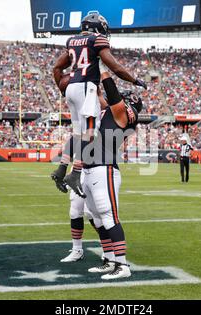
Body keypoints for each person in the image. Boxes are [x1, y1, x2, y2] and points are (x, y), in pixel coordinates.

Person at [51, 13, 146, 198]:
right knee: (91, 132)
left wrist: (64, 90)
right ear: (97, 27)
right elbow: (116, 68)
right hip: (87, 88)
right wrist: (135, 80)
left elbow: (57, 68)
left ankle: (61, 169)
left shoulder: (72, 40)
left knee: (78, 133)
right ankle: (75, 173)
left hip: (71, 88)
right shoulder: (97, 39)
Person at [81, 66, 143, 280]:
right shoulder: (115, 113)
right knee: (96, 217)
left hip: (104, 169)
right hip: (91, 168)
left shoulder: (123, 114)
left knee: (109, 217)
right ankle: (109, 260)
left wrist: (102, 68)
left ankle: (122, 265)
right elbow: (101, 96)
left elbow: (112, 93)